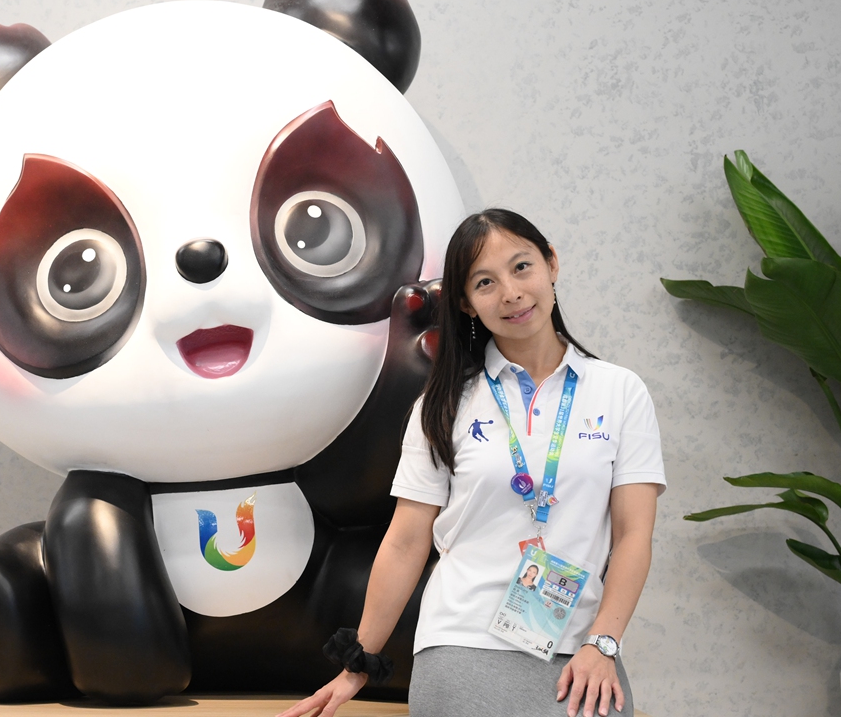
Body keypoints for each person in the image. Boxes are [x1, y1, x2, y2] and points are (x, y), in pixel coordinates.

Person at [279, 209, 664, 717]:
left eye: (522, 267)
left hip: (582, 654)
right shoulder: (442, 406)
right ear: (466, 303)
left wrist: (604, 643)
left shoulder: (620, 391)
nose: (510, 292)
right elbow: (407, 540)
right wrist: (360, 661)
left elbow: (634, 534)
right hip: (462, 646)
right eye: (485, 282)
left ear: (551, 264)